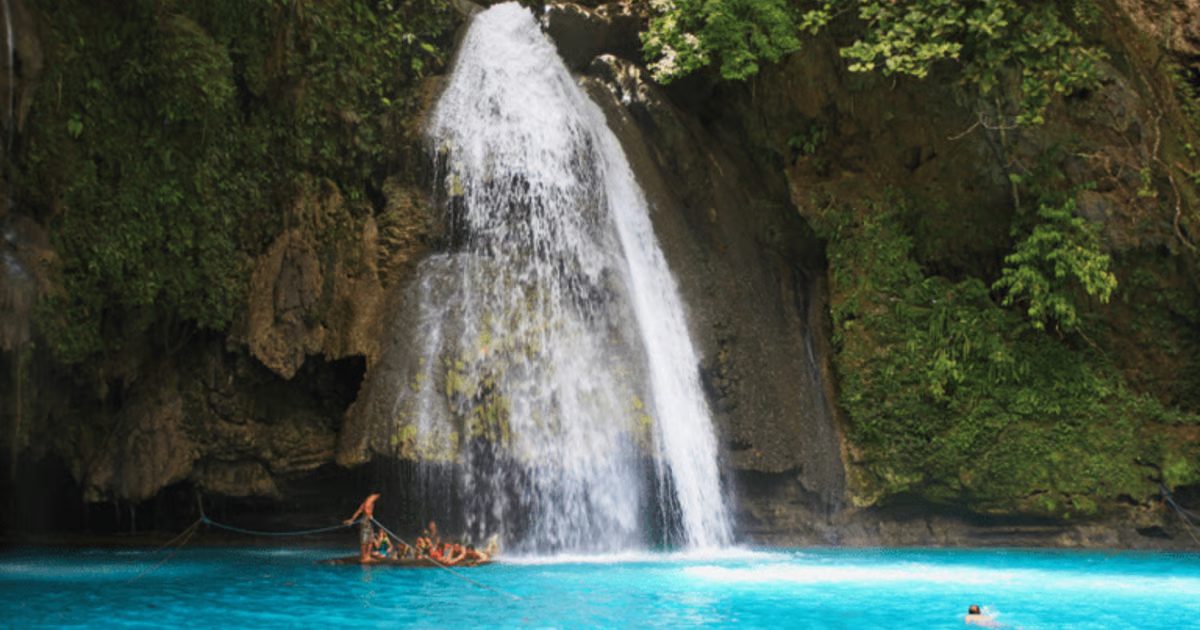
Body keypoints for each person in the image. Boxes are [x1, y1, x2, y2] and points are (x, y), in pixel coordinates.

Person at [344, 493, 381, 563]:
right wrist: (369, 514)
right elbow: (365, 508)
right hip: (366, 522)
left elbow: (358, 511)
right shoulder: (370, 499)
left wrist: (352, 520)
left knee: (370, 539)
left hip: (368, 522)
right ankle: (364, 557)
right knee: (364, 540)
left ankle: (368, 556)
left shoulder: (367, 502)